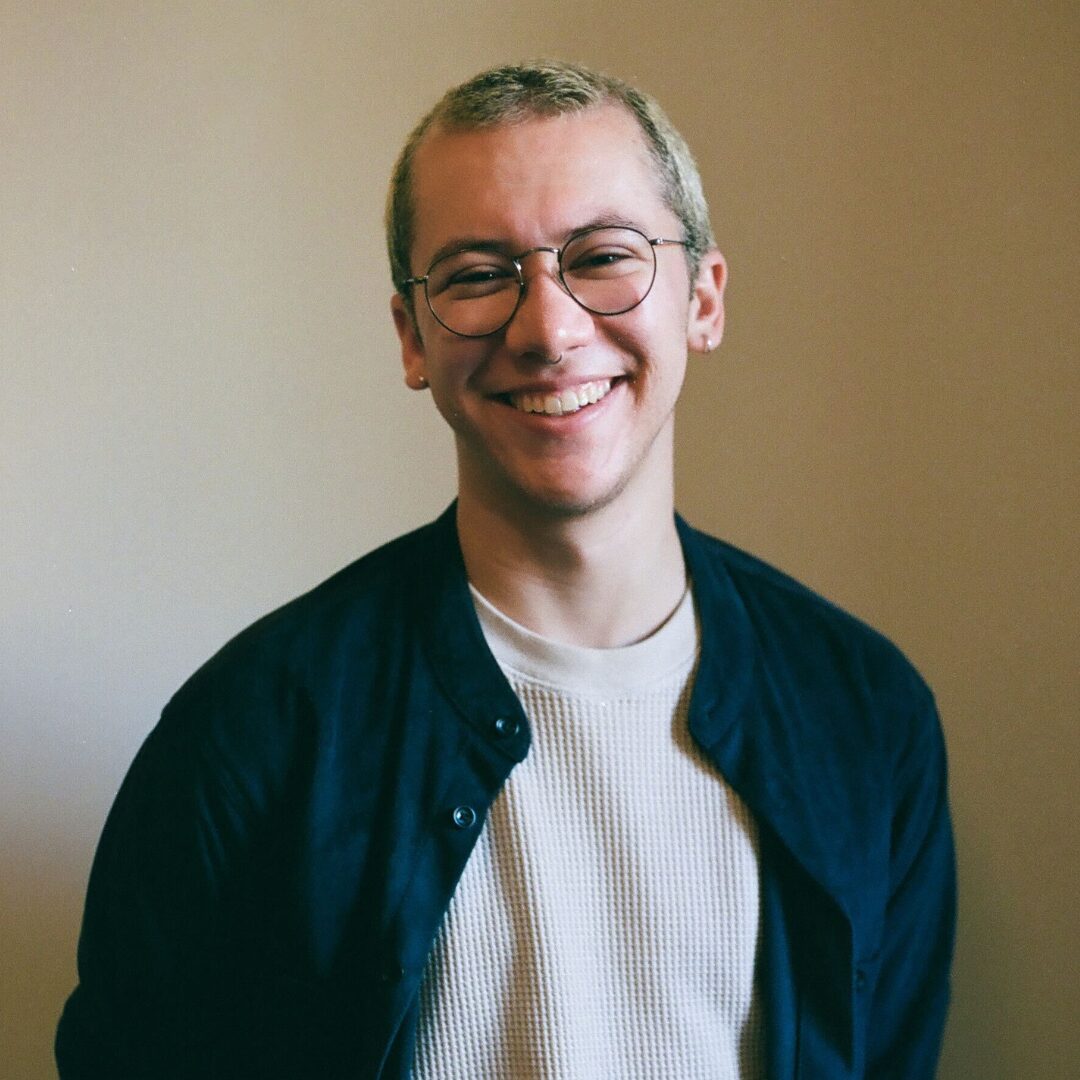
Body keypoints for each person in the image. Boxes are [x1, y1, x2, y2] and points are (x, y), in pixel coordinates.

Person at [56, 61, 955, 1079]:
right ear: (412, 338)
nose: (549, 330)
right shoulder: (250, 732)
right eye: (480, 274)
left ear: (704, 300)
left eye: (604, 256)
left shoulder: (867, 714)